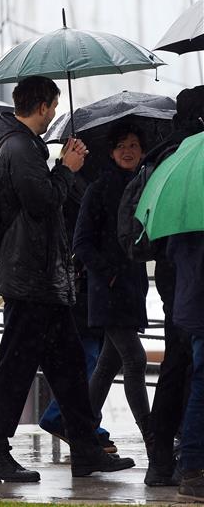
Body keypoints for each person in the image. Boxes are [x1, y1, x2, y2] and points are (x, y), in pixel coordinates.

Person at [0, 76, 134, 482]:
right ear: (44, 105)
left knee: (67, 370)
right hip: (30, 281)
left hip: (46, 281)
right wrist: (66, 169)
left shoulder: (24, 146)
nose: (53, 116)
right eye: (53, 107)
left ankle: (84, 448)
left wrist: (62, 167)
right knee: (14, 371)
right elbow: (43, 202)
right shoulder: (17, 147)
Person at [74, 124, 150, 447]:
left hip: (133, 290)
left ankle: (81, 431)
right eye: (121, 146)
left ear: (143, 151)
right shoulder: (99, 189)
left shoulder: (147, 187)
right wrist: (109, 272)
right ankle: (153, 439)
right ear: (110, 152)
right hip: (109, 291)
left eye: (133, 145)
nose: (128, 151)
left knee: (108, 363)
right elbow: (81, 243)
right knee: (135, 359)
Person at [144, 85, 204, 486]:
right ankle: (189, 462)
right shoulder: (193, 158)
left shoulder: (171, 159)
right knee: (194, 375)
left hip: (179, 288)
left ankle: (162, 460)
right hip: (194, 290)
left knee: (176, 370)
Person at [39, 163, 117, 453]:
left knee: (97, 358)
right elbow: (80, 238)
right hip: (83, 286)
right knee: (91, 358)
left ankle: (76, 420)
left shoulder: (79, 183)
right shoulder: (77, 186)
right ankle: (69, 418)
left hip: (83, 285)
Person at [166, 231, 204, 502]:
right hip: (199, 310)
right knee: (202, 388)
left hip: (190, 307)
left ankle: (190, 467)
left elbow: (172, 254)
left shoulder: (185, 217)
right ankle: (192, 469)